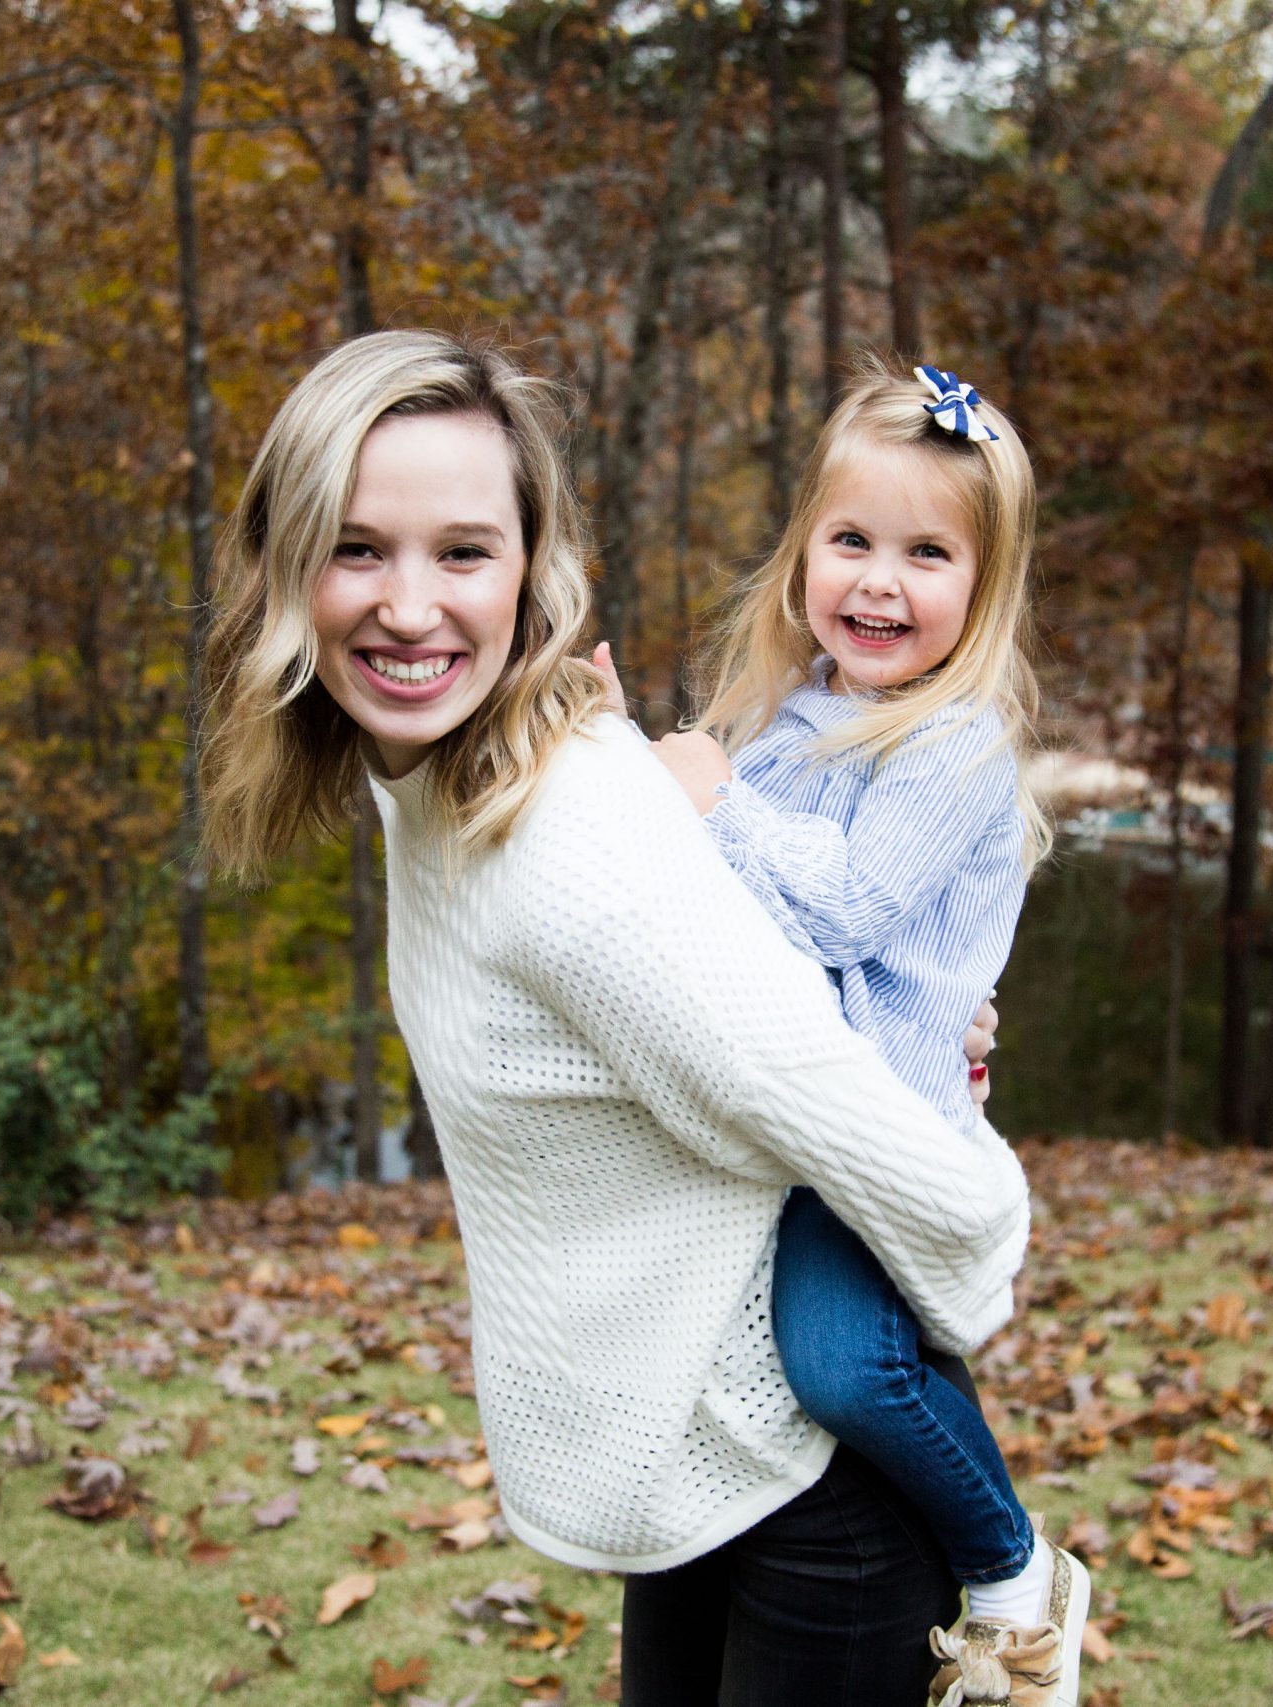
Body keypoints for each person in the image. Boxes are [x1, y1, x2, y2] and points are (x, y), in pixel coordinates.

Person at [197, 329, 1026, 1707]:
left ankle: (1015, 1565)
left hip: (814, 1499)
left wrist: (963, 1214)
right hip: (693, 1466)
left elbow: (801, 1076)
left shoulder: (565, 834)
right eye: (356, 548)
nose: (410, 604)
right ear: (284, 565)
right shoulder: (448, 785)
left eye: (463, 551)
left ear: (530, 567)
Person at [619, 355, 1087, 1707]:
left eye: (927, 554)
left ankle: (1013, 1565)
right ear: (803, 554)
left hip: (867, 1132)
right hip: (776, 1122)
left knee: (844, 1365)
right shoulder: (788, 720)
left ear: (985, 586)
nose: (881, 582)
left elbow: (848, 907)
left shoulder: (955, 743)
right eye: (853, 541)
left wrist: (711, 798)